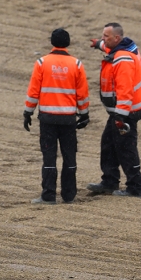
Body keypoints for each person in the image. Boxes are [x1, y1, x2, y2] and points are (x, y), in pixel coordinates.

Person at [23, 28, 89, 204]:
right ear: (68, 43)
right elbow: (82, 93)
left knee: (49, 157)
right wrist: (84, 113)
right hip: (68, 119)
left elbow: (33, 91)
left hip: (48, 119)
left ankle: (49, 195)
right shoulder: (76, 65)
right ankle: (69, 195)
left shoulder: (42, 62)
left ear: (52, 43)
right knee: (70, 157)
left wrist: (28, 112)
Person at [86, 22, 141, 198]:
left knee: (126, 149)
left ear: (117, 38)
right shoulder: (124, 47)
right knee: (109, 145)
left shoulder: (123, 59)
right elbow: (109, 49)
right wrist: (99, 44)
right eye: (103, 36)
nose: (103, 39)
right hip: (122, 111)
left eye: (106, 36)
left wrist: (120, 116)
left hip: (125, 113)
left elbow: (125, 89)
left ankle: (135, 187)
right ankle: (109, 181)